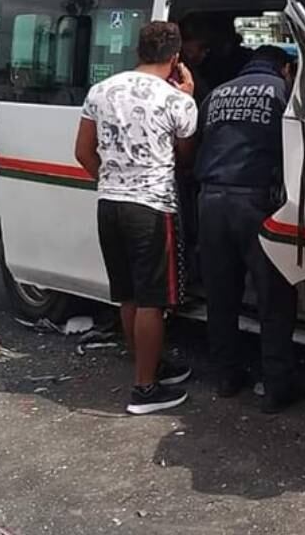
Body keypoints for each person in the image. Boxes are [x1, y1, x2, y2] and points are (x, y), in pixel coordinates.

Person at [74, 21, 198, 415]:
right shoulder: (176, 100)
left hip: (109, 203)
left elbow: (82, 152)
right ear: (176, 58)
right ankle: (145, 389)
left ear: (137, 50)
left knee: (127, 294)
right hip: (151, 206)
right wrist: (189, 95)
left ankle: (147, 366)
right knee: (153, 300)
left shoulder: (101, 90)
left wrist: (112, 179)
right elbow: (186, 156)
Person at [194, 45, 302, 414]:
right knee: (274, 296)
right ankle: (277, 386)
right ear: (286, 68)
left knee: (221, 294)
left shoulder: (216, 94)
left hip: (210, 200)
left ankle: (226, 376)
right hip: (257, 203)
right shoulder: (284, 94)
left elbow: (197, 143)